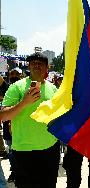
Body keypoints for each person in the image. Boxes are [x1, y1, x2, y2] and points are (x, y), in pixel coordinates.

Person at [0, 52, 60, 188]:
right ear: (29, 66)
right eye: (33, 63)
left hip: (50, 148)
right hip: (24, 150)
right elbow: (3, 116)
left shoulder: (53, 89)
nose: (37, 65)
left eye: (41, 63)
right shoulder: (16, 87)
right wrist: (25, 102)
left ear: (47, 68)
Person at [0, 67, 23, 183]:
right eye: (12, 74)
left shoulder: (27, 89)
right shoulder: (7, 88)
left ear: (21, 76)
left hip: (22, 129)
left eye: (16, 74)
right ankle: (15, 171)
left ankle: (18, 172)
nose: (14, 76)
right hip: (8, 130)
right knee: (11, 153)